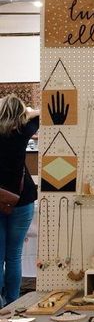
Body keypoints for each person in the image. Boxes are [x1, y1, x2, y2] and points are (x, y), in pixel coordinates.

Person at [0, 95, 40, 306]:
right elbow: (39, 114)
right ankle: (13, 303)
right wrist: (28, 111)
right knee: (14, 255)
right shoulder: (22, 131)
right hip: (22, 199)